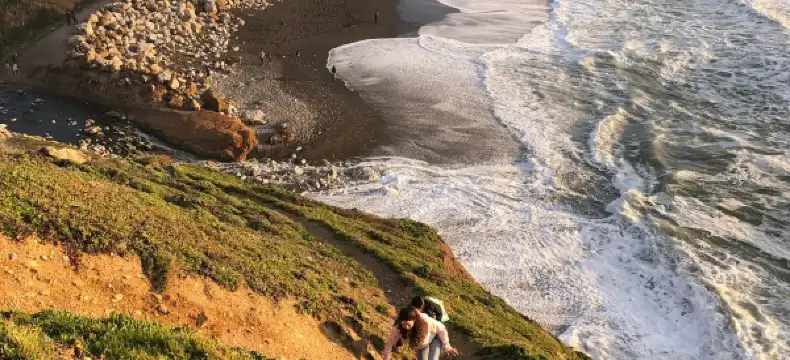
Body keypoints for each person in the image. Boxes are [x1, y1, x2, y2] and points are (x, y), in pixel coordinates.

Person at [383, 307, 460, 360]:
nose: (406, 327)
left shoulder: (426, 322)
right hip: (422, 346)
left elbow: (442, 328)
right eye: (404, 324)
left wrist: (447, 346)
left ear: (415, 320)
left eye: (409, 325)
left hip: (435, 337)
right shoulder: (398, 328)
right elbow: (389, 344)